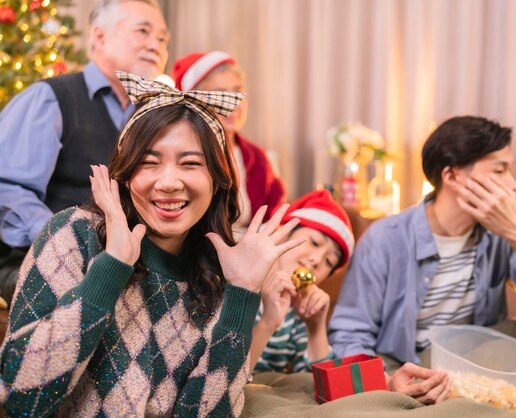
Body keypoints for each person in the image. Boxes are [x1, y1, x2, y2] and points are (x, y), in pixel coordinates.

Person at [0, 72, 305, 417]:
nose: (169, 182)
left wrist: (243, 292)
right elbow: (21, 397)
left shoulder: (219, 270)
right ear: (126, 173)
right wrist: (111, 267)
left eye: (191, 163)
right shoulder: (72, 234)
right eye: (148, 162)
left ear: (218, 180)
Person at [328, 115, 516, 404]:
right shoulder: (385, 239)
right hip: (413, 367)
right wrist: (388, 382)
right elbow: (349, 335)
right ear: (451, 177)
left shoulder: (502, 233)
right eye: (500, 171)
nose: (513, 185)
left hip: (478, 367)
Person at [0, 0, 170, 305]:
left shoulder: (152, 118)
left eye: (162, 39)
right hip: (39, 264)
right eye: (143, 31)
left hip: (127, 267)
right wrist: (60, 241)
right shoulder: (51, 99)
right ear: (100, 37)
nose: (155, 44)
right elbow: (8, 188)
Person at [171, 51, 285, 236]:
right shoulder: (183, 153)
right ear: (196, 101)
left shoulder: (257, 157)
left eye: (237, 91)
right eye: (220, 94)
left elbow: (273, 214)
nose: (234, 103)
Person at [249, 190, 354, 373]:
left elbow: (318, 382)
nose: (317, 260)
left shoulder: (296, 311)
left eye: (329, 262)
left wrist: (315, 327)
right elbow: (221, 378)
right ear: (282, 233)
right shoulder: (235, 284)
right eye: (314, 242)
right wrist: (268, 323)